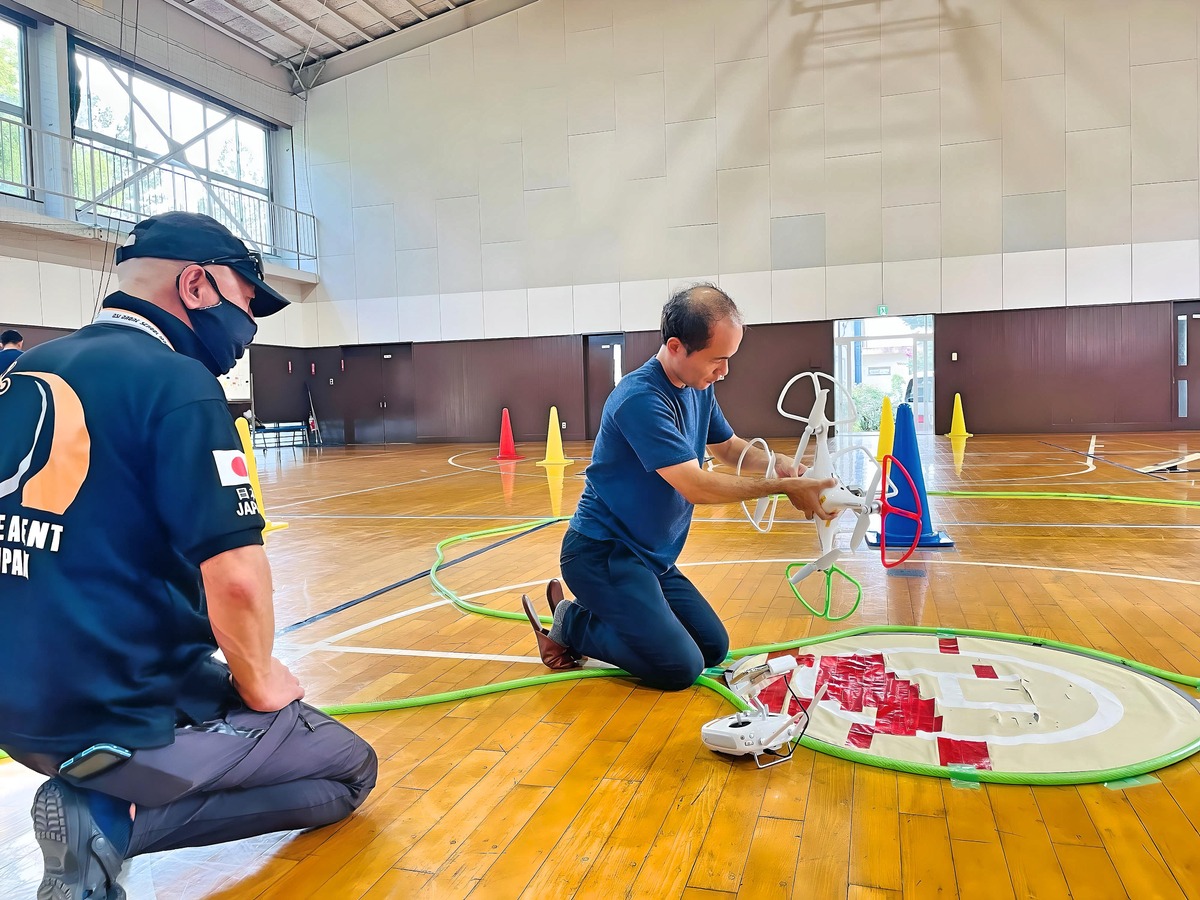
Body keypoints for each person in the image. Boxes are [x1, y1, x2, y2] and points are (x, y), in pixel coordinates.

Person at [0, 211, 377, 899]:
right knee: (347, 767)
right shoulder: (178, 384)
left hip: (17, 696)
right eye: (245, 303)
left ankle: (106, 809)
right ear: (197, 285)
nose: (249, 327)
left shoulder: (29, 372)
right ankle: (111, 814)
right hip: (105, 705)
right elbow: (234, 578)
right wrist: (260, 680)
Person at [522, 284, 836, 691]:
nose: (724, 371)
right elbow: (696, 486)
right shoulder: (639, 398)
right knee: (679, 669)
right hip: (603, 554)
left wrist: (782, 465)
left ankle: (614, 614)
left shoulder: (698, 387)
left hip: (652, 559)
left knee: (712, 648)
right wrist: (778, 487)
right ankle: (572, 622)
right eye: (717, 360)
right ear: (675, 346)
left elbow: (728, 448)